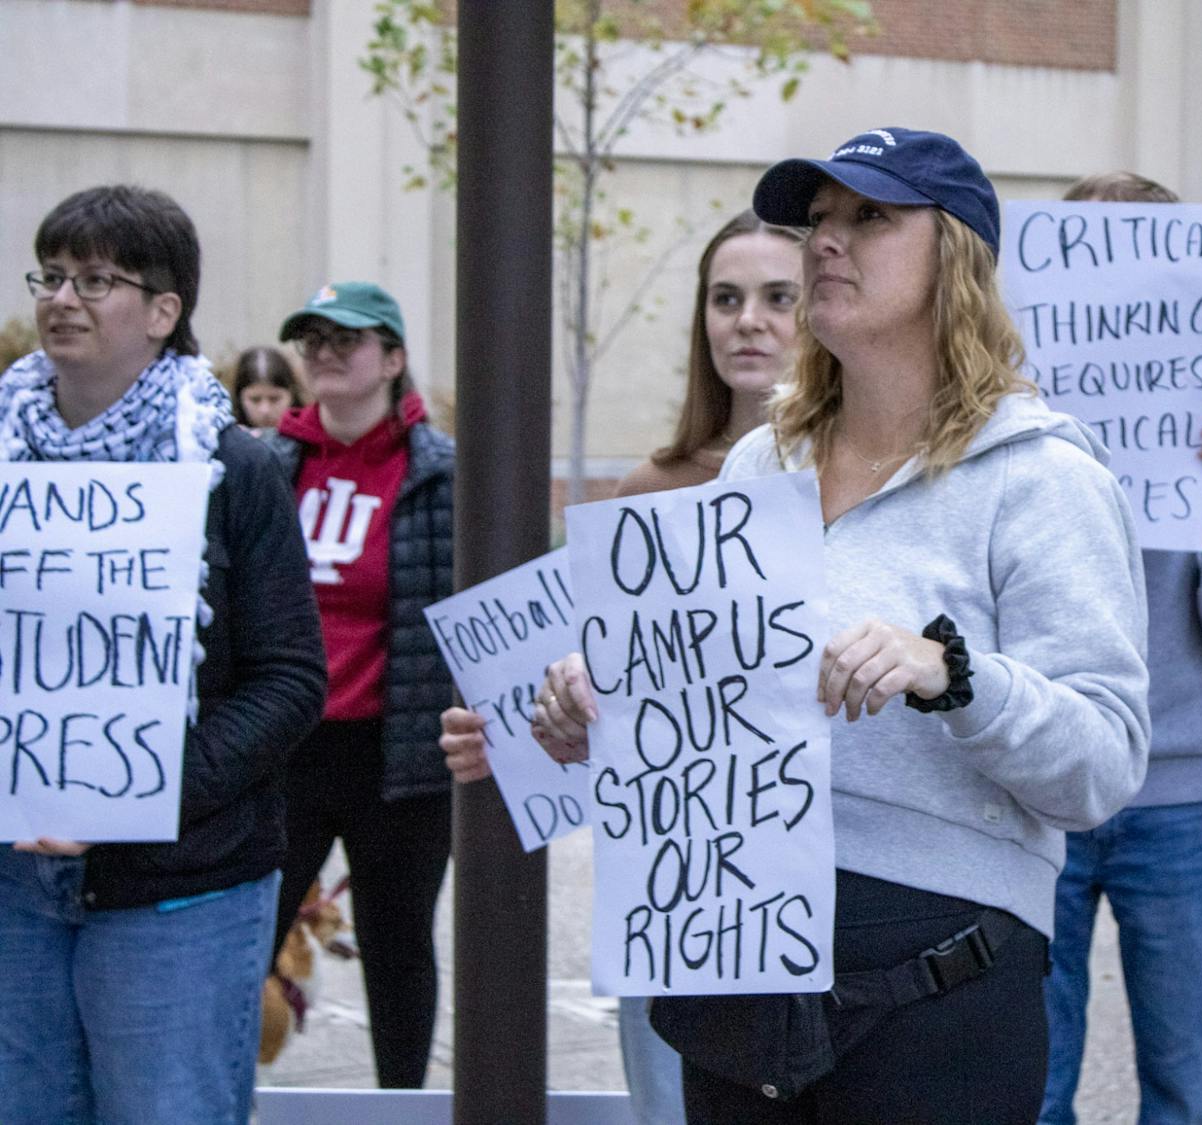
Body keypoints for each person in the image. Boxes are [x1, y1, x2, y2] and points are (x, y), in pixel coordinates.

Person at [483, 128, 1153, 1123]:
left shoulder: (1043, 478)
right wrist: (607, 696)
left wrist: (954, 675)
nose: (827, 241)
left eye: (870, 217)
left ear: (956, 256)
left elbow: (1101, 767)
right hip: (738, 954)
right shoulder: (762, 464)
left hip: (941, 987)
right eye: (820, 221)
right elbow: (709, 704)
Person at [441, 208, 803, 1125]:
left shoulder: (861, 480)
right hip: (672, 876)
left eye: (778, 297)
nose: (748, 320)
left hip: (809, 880)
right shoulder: (648, 489)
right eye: (726, 298)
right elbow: (597, 698)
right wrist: (507, 732)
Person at [0, 185, 327, 1124]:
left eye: (96, 279)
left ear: (163, 310)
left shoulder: (234, 469)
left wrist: (130, 789)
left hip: (181, 890)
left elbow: (290, 680)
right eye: (51, 276)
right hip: (16, 888)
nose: (63, 298)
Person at [1039, 171, 1202, 1125]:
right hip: (1046, 782)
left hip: (1181, 797)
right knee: (1032, 1078)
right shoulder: (1018, 423)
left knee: (1183, 1078)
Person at [264, 281, 455, 1089]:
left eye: (348, 338)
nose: (326, 353)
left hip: (398, 752)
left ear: (394, 357)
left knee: (397, 946)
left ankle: (403, 1103)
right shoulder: (269, 464)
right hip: (285, 748)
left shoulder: (440, 472)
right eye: (313, 339)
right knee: (246, 936)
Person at [230, 345, 302, 434]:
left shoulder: (311, 436)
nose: (265, 410)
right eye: (255, 400)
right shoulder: (222, 438)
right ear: (239, 398)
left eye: (274, 399)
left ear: (292, 394)